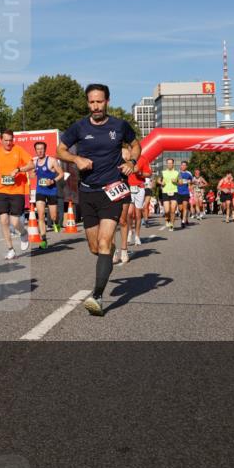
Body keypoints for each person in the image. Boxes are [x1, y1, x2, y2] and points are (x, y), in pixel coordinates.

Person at [56, 84, 140, 316]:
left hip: (112, 191)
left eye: (99, 102)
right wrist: (76, 159)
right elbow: (60, 150)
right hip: (87, 192)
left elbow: (135, 145)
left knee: (104, 243)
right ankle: (107, 253)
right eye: (92, 102)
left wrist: (132, 162)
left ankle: (97, 296)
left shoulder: (119, 126)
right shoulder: (79, 127)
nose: (95, 106)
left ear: (107, 102)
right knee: (96, 248)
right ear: (88, 103)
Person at [0, 129, 34, 260]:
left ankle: (23, 233)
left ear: (13, 140)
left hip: (17, 190)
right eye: (6, 140)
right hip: (2, 190)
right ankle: (10, 249)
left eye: (10, 140)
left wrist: (18, 169)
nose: (8, 143)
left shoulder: (18, 150)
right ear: (0, 140)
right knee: (3, 220)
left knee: (15, 221)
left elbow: (31, 164)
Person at [32, 141, 65, 246]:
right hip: (40, 190)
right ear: (35, 150)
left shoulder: (51, 160)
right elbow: (32, 174)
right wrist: (31, 173)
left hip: (51, 190)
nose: (40, 151)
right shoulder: (34, 162)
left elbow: (61, 174)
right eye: (38, 149)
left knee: (53, 216)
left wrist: (52, 181)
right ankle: (44, 240)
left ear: (45, 150)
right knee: (41, 215)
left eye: (41, 149)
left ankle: (56, 223)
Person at [127, 154, 152, 246]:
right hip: (128, 188)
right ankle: (130, 231)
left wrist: (140, 173)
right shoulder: (125, 156)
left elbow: (149, 174)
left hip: (139, 188)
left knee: (138, 214)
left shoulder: (143, 158)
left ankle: (137, 236)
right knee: (129, 212)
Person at [159, 158, 179, 231]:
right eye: (168, 163)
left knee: (173, 210)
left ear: (173, 164)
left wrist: (176, 181)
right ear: (166, 164)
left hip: (174, 192)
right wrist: (161, 183)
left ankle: (172, 225)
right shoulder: (163, 172)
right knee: (167, 211)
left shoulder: (177, 172)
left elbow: (181, 182)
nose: (170, 164)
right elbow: (158, 180)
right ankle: (167, 219)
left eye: (171, 163)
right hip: (165, 192)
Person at [176, 162, 193, 228]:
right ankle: (183, 217)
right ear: (180, 166)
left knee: (185, 207)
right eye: (182, 165)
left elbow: (191, 181)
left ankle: (183, 222)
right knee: (180, 209)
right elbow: (174, 181)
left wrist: (190, 182)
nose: (183, 166)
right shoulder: (177, 173)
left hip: (186, 192)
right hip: (178, 192)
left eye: (184, 165)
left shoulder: (189, 173)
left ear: (186, 166)